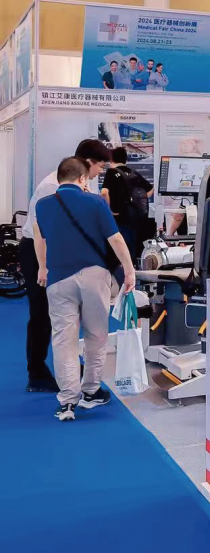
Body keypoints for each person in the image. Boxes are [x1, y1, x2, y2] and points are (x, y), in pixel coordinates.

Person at [34, 156, 137, 422]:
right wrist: (129, 271)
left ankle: (67, 400)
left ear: (59, 178)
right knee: (96, 335)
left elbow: (41, 238)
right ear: (82, 178)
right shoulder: (95, 202)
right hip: (94, 276)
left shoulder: (43, 205)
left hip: (58, 278)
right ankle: (90, 391)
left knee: (63, 339)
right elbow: (115, 239)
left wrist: (42, 268)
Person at [19, 138, 112, 393]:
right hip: (39, 250)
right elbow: (40, 232)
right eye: (100, 166)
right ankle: (37, 373)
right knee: (42, 313)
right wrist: (43, 267)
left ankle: (69, 370)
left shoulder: (85, 181)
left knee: (70, 313)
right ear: (89, 163)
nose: (101, 172)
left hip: (64, 251)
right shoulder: (52, 187)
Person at [101, 146, 154, 267]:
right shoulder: (134, 173)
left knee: (118, 252)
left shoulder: (111, 172)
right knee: (131, 251)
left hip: (118, 218)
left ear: (111, 159)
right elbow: (150, 189)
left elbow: (104, 192)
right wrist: (140, 199)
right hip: (134, 217)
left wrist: (108, 210)